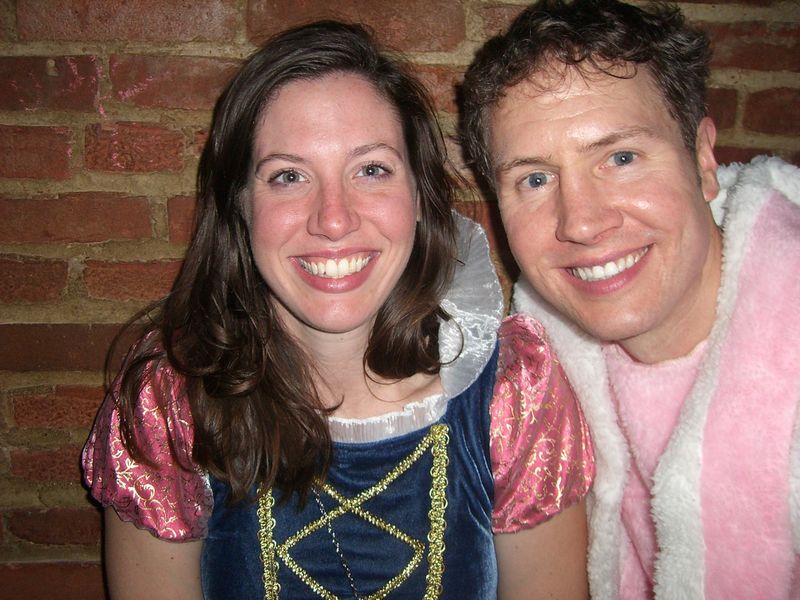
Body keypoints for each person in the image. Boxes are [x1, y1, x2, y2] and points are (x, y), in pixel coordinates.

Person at [81, 21, 594, 600]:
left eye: (371, 169)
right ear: (240, 206)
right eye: (288, 176)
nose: (333, 219)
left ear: (419, 196)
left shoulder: (513, 391)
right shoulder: (169, 401)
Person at [459, 0, 800, 598]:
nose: (581, 222)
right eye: (535, 179)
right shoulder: (539, 374)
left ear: (703, 158)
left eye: (620, 158)